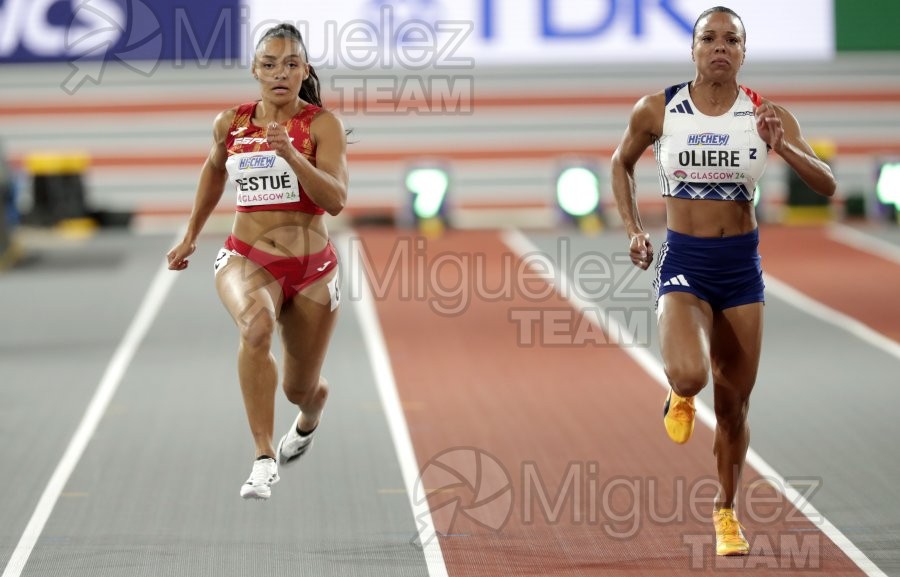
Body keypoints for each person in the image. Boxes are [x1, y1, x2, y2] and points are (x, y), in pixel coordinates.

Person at [610, 6, 835, 556]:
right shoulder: (658, 109)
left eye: (730, 40)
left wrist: (780, 144)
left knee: (734, 407)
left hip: (740, 269)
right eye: (708, 38)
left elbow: (827, 185)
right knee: (690, 376)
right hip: (685, 261)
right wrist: (635, 230)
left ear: (742, 52)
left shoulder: (768, 113)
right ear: (692, 50)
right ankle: (679, 394)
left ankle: (725, 511)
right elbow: (620, 163)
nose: (719, 47)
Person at [167, 23, 348, 500]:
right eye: (269, 64)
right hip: (247, 258)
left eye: (291, 64)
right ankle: (264, 457)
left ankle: (313, 409)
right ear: (255, 70)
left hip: (312, 270)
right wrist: (190, 236)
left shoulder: (321, 125)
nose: (280, 73)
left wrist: (292, 156)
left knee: (298, 389)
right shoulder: (232, 123)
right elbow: (212, 173)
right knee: (255, 327)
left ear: (304, 70)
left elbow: (335, 200)